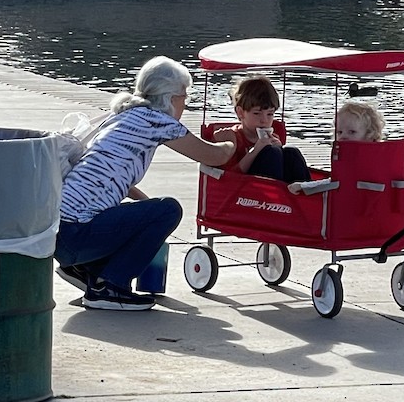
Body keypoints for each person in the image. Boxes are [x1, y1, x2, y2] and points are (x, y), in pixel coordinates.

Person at [55, 56, 234, 311]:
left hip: (57, 232)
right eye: (185, 96)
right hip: (76, 236)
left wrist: (147, 209)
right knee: (170, 209)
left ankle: (86, 270)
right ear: (171, 97)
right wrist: (232, 140)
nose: (185, 103)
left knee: (155, 210)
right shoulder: (157, 121)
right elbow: (213, 156)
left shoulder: (123, 116)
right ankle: (109, 287)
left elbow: (117, 179)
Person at [213, 76, 311, 185]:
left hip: (273, 182)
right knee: (272, 153)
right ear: (240, 112)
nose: (264, 120)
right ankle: (275, 195)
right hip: (246, 190)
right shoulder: (233, 138)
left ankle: (305, 195)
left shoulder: (274, 135)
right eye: (257, 113)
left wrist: (280, 150)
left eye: (270, 114)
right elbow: (229, 177)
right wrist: (256, 150)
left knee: (291, 152)